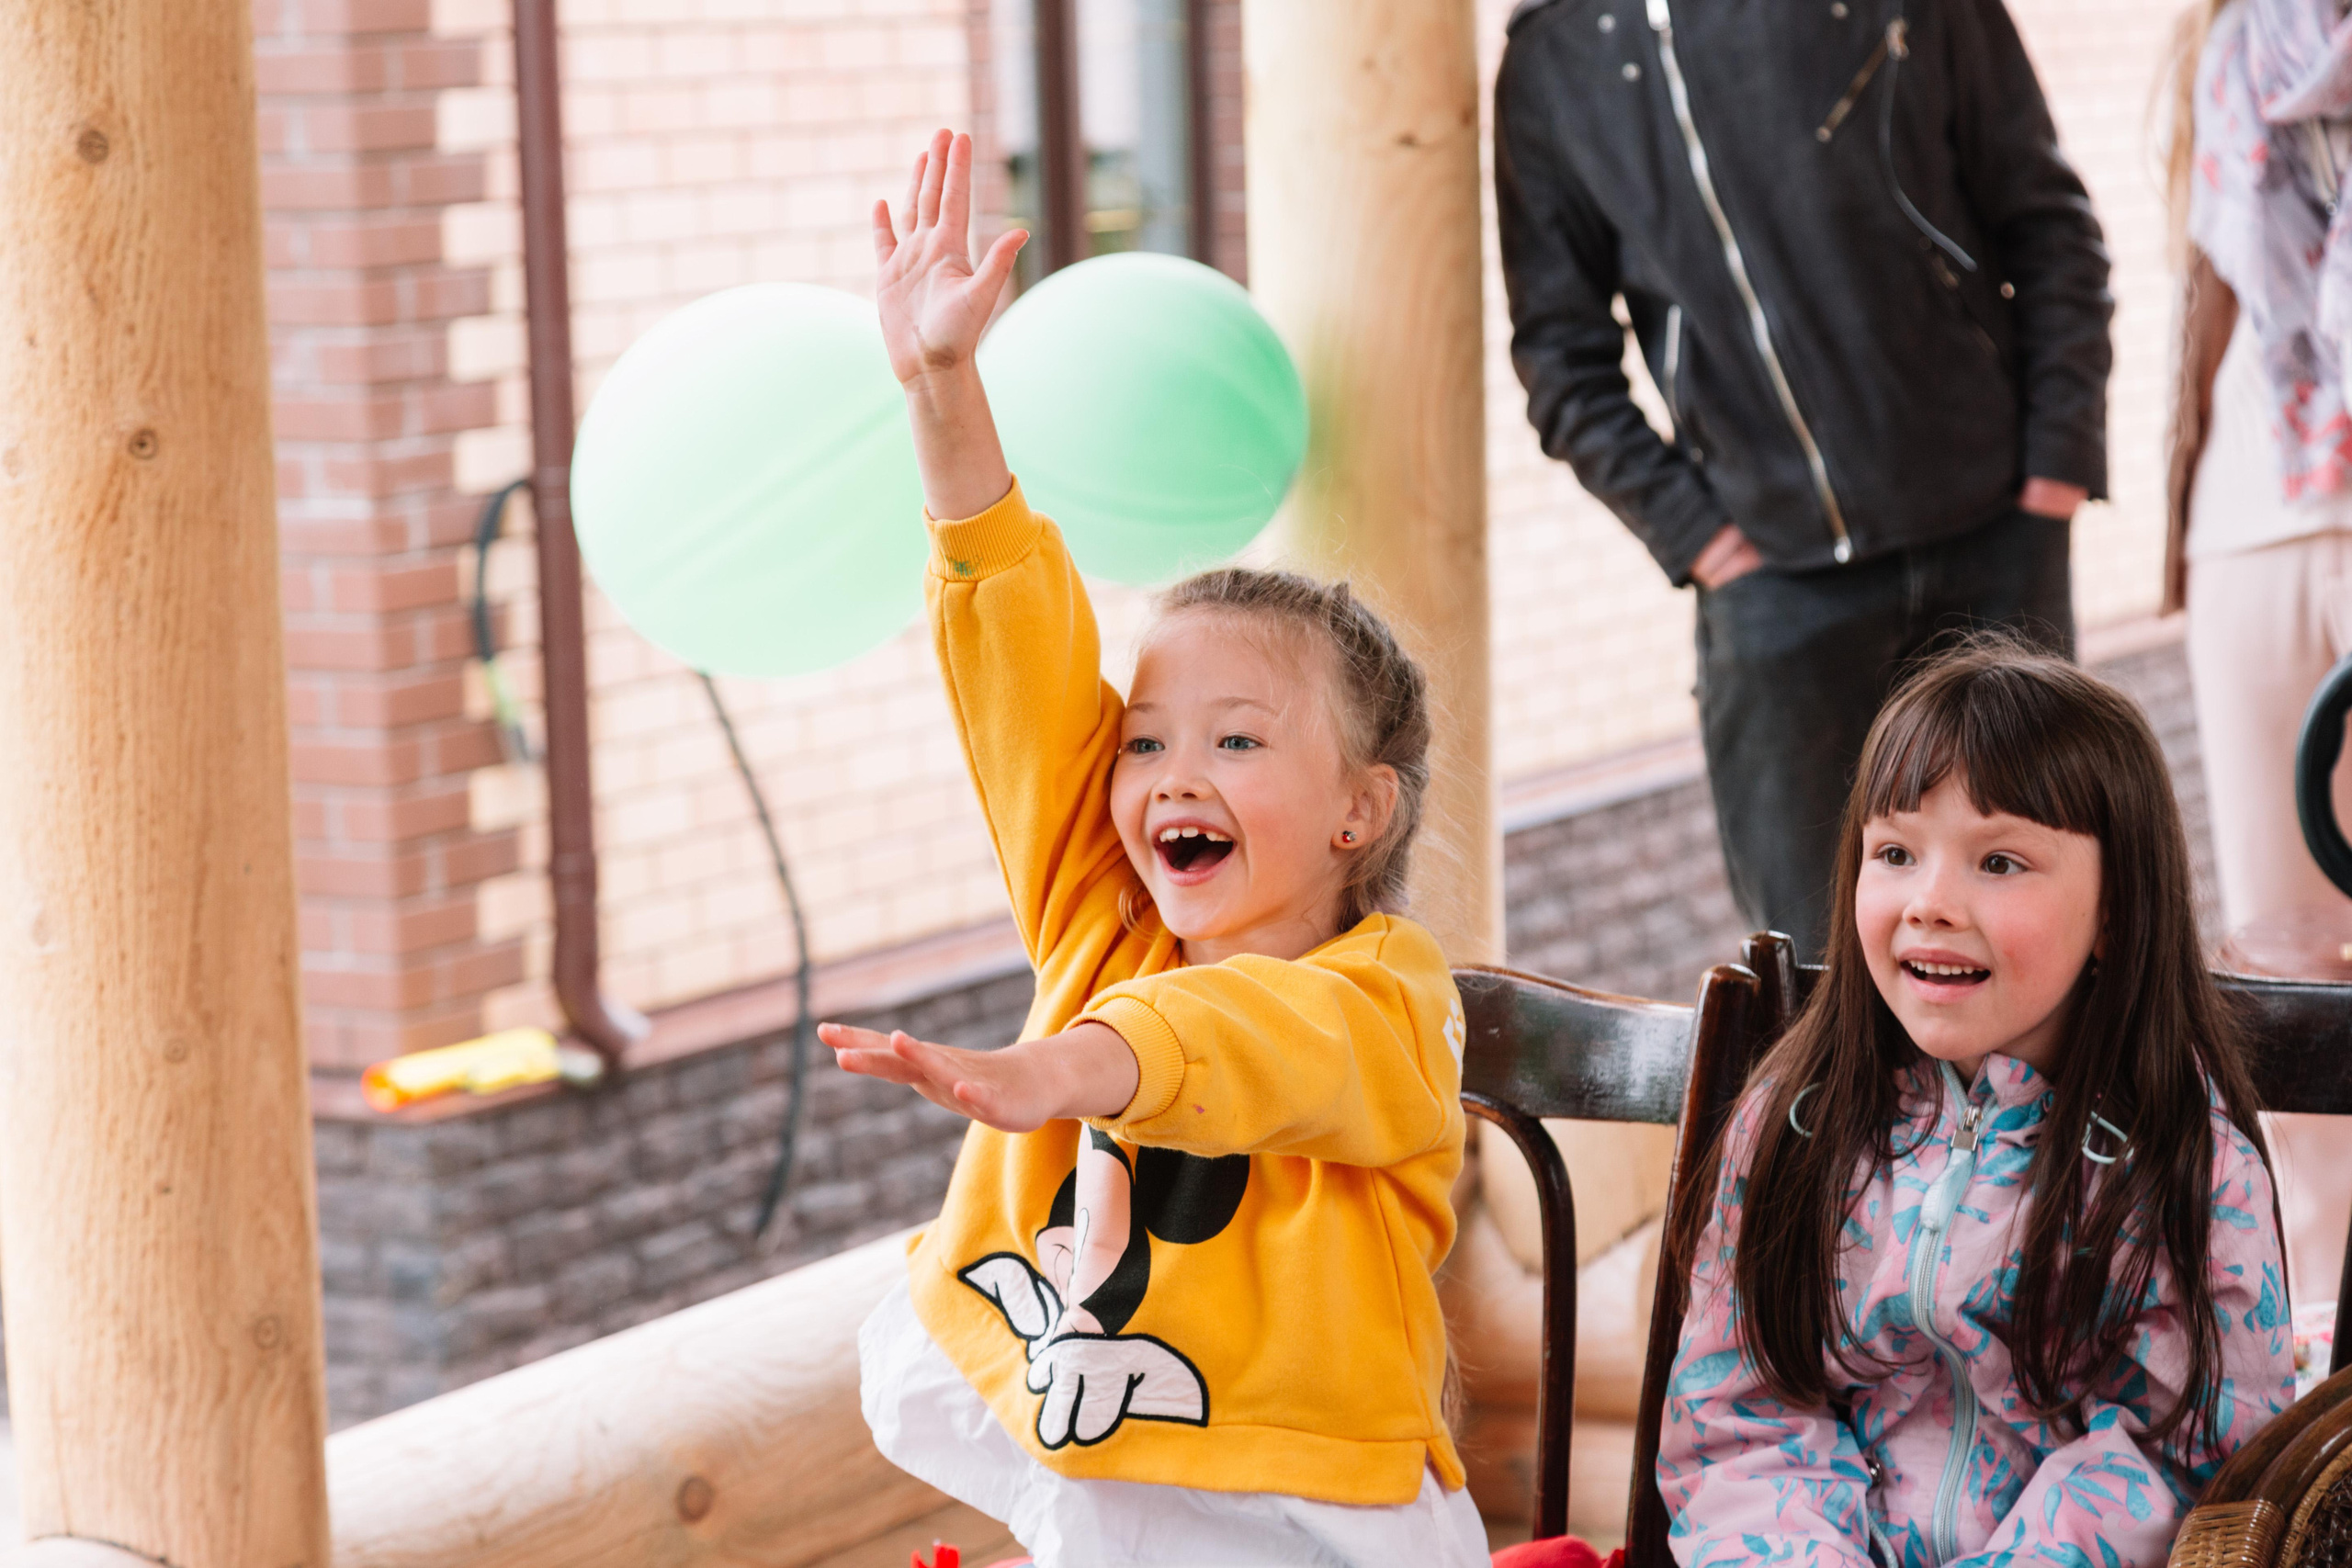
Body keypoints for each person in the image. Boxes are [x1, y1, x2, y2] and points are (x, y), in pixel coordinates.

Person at [821, 130, 1493, 1568]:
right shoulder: (1101, 909)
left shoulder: (1391, 999)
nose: (1173, 772)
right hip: (1118, 1481)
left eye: (1239, 741)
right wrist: (943, 390)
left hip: (1318, 1515)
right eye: (1149, 739)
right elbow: (1015, 643)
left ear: (1357, 811)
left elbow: (1235, 1038)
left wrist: (1049, 1070)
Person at [1495, 0, 2114, 959]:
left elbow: (2049, 224)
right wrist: (1701, 540)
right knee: (1813, 970)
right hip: (1773, 588)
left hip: (1994, 537)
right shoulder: (1556, 57)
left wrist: (2055, 471)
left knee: (2046, 930)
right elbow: (1560, 360)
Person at [1656, 639, 2293, 1565]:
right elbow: (1738, 1414)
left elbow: (2184, 1459)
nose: (1931, 902)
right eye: (1895, 852)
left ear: (2114, 908)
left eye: (1998, 863)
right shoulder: (1796, 1124)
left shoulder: (2184, 1167)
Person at [2165, 0, 2352, 1327]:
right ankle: (2315, 1346)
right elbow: (2212, 287)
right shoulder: (2229, 42)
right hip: (2255, 516)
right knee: (2286, 976)